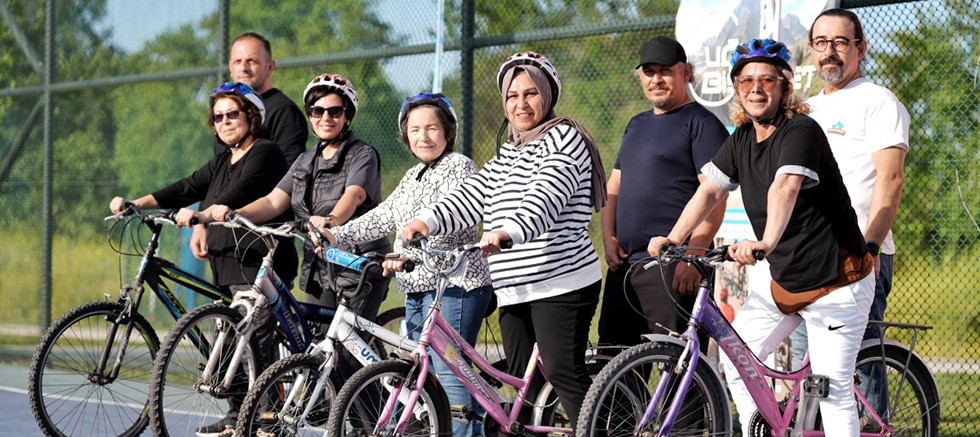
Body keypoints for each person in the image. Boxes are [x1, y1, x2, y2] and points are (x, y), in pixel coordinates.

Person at [648, 38, 875, 436]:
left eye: (767, 80)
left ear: (784, 87)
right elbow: (710, 190)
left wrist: (765, 242)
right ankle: (769, 430)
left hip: (837, 279)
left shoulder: (801, 130)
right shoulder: (740, 138)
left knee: (831, 390)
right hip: (786, 279)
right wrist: (673, 238)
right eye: (746, 81)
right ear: (737, 89)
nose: (756, 88)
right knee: (738, 360)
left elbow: (785, 186)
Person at [402, 51, 607, 427]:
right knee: (524, 387)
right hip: (515, 287)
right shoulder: (511, 150)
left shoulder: (565, 138)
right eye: (512, 96)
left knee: (562, 373)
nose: (520, 104)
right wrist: (426, 221)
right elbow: (473, 194)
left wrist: (506, 232)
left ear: (548, 94)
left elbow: (545, 197)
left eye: (530, 93)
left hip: (561, 282)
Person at [109, 82, 299, 437]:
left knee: (256, 339)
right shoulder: (223, 160)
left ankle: (268, 418)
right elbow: (187, 186)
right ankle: (237, 415)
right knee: (226, 339)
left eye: (232, 114)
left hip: (259, 260)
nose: (224, 122)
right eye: (218, 117)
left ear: (252, 116)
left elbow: (239, 192)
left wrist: (203, 215)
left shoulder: (266, 153)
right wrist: (137, 203)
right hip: (226, 262)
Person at [319, 93, 493, 437]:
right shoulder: (413, 175)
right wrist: (336, 235)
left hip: (455, 286)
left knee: (449, 375)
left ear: (448, 132)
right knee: (419, 375)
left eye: (431, 128)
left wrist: (410, 253)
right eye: (414, 130)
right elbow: (383, 216)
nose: (423, 136)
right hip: (417, 287)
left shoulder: (459, 166)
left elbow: (457, 217)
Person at [205, 72, 392, 384]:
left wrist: (331, 220)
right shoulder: (305, 160)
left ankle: (375, 414)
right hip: (320, 268)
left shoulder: (362, 154)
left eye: (335, 111)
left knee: (345, 361)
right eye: (317, 111)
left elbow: (354, 194)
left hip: (359, 266)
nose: (325, 118)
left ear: (347, 116)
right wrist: (234, 214)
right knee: (317, 352)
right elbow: (273, 201)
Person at [791, 9, 911, 422]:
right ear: (811, 49)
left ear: (861, 48)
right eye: (821, 42)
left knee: (858, 368)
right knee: (810, 371)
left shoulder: (878, 100)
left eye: (841, 42)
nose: (830, 51)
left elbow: (891, 179)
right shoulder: (804, 109)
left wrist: (870, 246)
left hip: (856, 256)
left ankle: (874, 429)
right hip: (808, 259)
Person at [597, 35, 728, 349]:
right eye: (649, 72)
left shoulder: (702, 123)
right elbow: (613, 186)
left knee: (676, 365)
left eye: (665, 71)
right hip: (625, 268)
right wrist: (609, 237)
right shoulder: (636, 124)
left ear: (685, 72)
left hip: (673, 268)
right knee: (614, 364)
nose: (656, 79)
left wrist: (693, 257)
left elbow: (715, 197)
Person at [190, 32, 309, 262]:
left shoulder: (283, 111)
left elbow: (288, 178)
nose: (243, 68)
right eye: (237, 61)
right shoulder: (227, 116)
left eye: (252, 61)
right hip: (223, 243)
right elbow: (216, 178)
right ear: (230, 67)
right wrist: (201, 223)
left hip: (262, 244)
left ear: (269, 66)